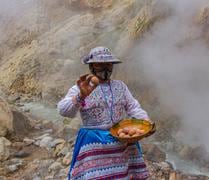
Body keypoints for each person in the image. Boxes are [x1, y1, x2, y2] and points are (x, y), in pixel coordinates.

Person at [57, 46, 152, 179]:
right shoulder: (81, 88)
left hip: (122, 140)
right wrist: (81, 96)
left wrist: (146, 122)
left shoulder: (120, 86)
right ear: (91, 67)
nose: (105, 68)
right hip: (94, 143)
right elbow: (63, 110)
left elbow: (133, 107)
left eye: (108, 64)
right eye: (99, 65)